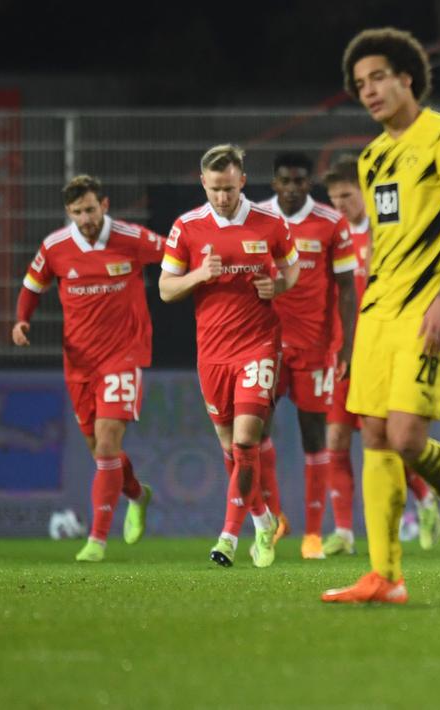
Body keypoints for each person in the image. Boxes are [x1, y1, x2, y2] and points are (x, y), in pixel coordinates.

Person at [322, 27, 440, 604]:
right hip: (379, 310)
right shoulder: (372, 158)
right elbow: (385, 238)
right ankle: (385, 576)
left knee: (406, 437)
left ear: (406, 78)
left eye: (378, 78)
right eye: (359, 85)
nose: (368, 91)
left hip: (429, 309)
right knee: (372, 434)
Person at [159, 144, 300, 568]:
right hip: (213, 354)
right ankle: (262, 518)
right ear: (204, 183)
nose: (223, 197)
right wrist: (199, 275)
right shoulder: (186, 227)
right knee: (230, 448)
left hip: (258, 346)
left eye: (229, 187)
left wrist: (279, 287)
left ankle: (227, 538)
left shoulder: (270, 223)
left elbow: (293, 267)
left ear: (243, 180)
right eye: (215, 189)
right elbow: (166, 288)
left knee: (244, 441)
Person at [13, 175, 159, 562]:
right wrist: (21, 321)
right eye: (77, 212)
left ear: (104, 205)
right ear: (69, 213)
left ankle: (96, 539)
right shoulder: (56, 247)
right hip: (79, 362)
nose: (85, 218)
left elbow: (178, 255)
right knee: (101, 453)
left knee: (109, 442)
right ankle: (138, 495)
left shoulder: (133, 238)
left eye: (90, 209)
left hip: (124, 355)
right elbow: (32, 285)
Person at [320, 158, 440, 556]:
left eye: (347, 196)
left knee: (391, 440)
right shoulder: (331, 237)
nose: (340, 205)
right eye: (333, 198)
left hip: (382, 350)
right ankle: (343, 532)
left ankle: (425, 501)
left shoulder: (389, 232)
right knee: (336, 440)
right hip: (343, 353)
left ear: (365, 193)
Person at [258, 152, 358, 560]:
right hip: (263, 344)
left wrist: (346, 346)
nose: (293, 187)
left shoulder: (331, 223)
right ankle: (277, 516)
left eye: (300, 180)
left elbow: (347, 288)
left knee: (315, 438)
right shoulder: (257, 220)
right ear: (274, 183)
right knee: (255, 433)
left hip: (315, 348)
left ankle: (314, 534)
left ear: (309, 182)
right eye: (286, 180)